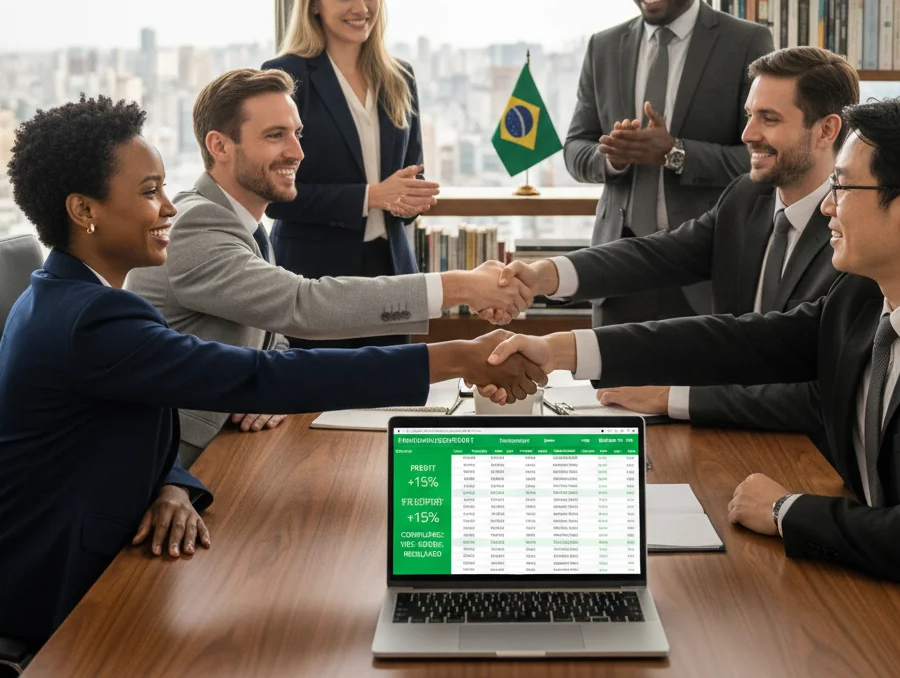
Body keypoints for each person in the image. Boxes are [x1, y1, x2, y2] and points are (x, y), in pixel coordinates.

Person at [487, 96, 900, 657]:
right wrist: (561, 350)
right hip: (870, 586)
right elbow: (738, 341)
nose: (826, 206)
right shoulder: (863, 297)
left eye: (843, 187)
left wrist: (785, 510)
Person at [0, 96, 542, 650]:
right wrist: (455, 358)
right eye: (148, 192)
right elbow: (262, 376)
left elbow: (134, 417)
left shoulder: (65, 297)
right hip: (62, 598)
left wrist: (171, 484)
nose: (167, 208)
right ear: (83, 210)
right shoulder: (94, 320)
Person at [127, 68, 531, 466]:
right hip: (172, 463)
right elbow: (301, 305)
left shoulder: (241, 223)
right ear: (219, 146)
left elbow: (273, 336)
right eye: (275, 135)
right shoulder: (197, 225)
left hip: (227, 447)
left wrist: (267, 395)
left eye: (297, 134)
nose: (297, 152)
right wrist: (459, 287)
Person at [500, 47, 858, 441]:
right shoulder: (745, 198)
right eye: (749, 116)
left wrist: (673, 397)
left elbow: (818, 395)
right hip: (728, 437)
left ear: (826, 130)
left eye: (769, 119)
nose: (748, 135)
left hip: (809, 452)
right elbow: (657, 255)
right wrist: (541, 276)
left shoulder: (856, 236)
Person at [565, 0, 773, 326]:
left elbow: (764, 157)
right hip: (617, 270)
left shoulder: (745, 42)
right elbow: (574, 149)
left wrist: (675, 152)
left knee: (701, 373)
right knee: (610, 374)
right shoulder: (603, 47)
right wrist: (613, 157)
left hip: (704, 270)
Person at [262, 0, 434, 350]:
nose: (361, 7)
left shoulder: (400, 76)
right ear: (314, 2)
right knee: (317, 389)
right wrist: (371, 196)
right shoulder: (285, 76)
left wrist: (409, 200)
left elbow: (411, 175)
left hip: (392, 271)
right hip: (314, 278)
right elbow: (274, 198)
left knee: (392, 385)